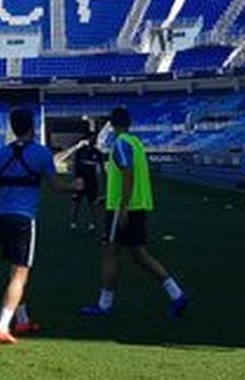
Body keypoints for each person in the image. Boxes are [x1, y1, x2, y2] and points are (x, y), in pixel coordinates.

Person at [0, 108, 80, 344]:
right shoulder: (41, 154)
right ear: (32, 127)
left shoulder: (1, 153)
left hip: (2, 217)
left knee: (14, 270)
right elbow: (56, 186)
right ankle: (2, 326)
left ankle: (22, 320)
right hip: (24, 218)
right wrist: (75, 186)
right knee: (20, 274)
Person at [80, 106, 190, 319]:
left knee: (110, 254)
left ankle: (104, 305)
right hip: (137, 206)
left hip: (124, 209)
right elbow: (129, 177)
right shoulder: (136, 143)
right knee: (140, 255)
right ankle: (177, 294)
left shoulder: (120, 144)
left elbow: (128, 176)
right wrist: (110, 197)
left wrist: (121, 206)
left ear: (111, 125)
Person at [68, 121, 102, 234]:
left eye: (95, 138)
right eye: (92, 138)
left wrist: (101, 180)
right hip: (80, 181)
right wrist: (74, 180)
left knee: (93, 203)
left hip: (92, 181)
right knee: (76, 203)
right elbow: (74, 166)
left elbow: (100, 169)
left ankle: (93, 223)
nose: (93, 140)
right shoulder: (80, 152)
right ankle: (73, 222)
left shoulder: (98, 153)